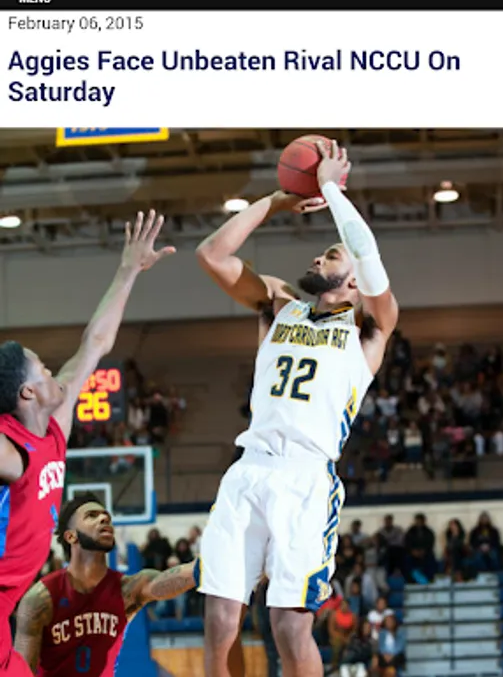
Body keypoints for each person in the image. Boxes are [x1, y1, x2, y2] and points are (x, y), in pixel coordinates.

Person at [195, 141, 398, 677]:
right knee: (219, 620)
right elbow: (211, 255)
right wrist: (275, 202)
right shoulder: (280, 303)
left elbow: (368, 255)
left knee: (288, 626)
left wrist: (329, 187)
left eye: (330, 255)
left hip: (305, 479)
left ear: (353, 280)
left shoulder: (369, 326)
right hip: (249, 468)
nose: (316, 259)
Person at [0, 209, 175, 676]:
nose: (53, 371)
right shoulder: (10, 449)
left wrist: (128, 270)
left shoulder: (54, 423)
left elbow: (94, 342)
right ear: (27, 393)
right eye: (43, 369)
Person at [14, 494, 196, 676]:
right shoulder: (41, 598)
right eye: (91, 516)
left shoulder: (127, 589)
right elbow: (21, 671)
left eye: (106, 516)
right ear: (71, 536)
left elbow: (172, 579)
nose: (104, 518)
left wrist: (206, 562)